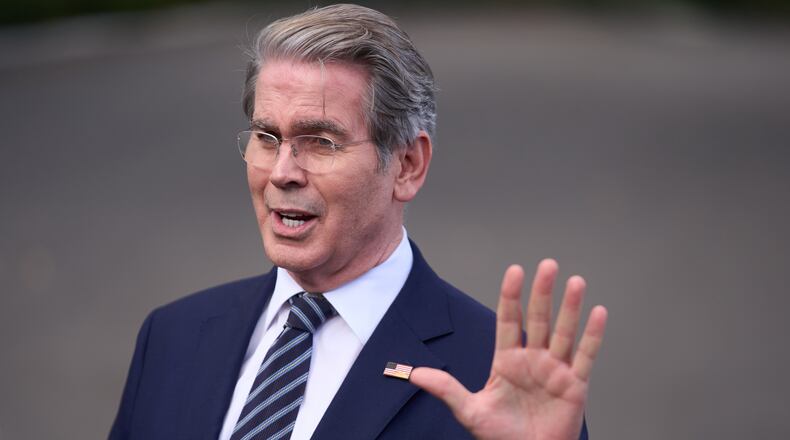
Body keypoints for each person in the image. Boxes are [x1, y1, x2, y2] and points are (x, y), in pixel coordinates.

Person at [110, 4, 607, 440]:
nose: (282, 172)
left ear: (407, 165)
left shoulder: (492, 371)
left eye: (321, 142)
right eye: (266, 136)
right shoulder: (173, 336)